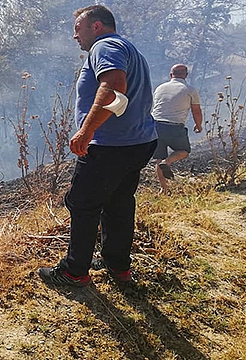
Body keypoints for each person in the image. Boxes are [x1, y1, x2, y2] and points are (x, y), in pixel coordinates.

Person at [38, 5, 158, 287]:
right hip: (137, 141)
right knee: (118, 202)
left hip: (110, 145)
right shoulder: (129, 48)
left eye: (78, 28)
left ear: (96, 26)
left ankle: (74, 271)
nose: (74, 35)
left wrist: (86, 131)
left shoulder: (104, 46)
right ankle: (118, 266)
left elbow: (114, 88)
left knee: (82, 203)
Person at [151, 64, 203, 194]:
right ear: (186, 75)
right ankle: (167, 162)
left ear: (171, 75)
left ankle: (163, 189)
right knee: (184, 150)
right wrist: (198, 124)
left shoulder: (160, 88)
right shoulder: (190, 90)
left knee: (158, 158)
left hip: (155, 125)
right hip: (174, 127)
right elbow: (196, 110)